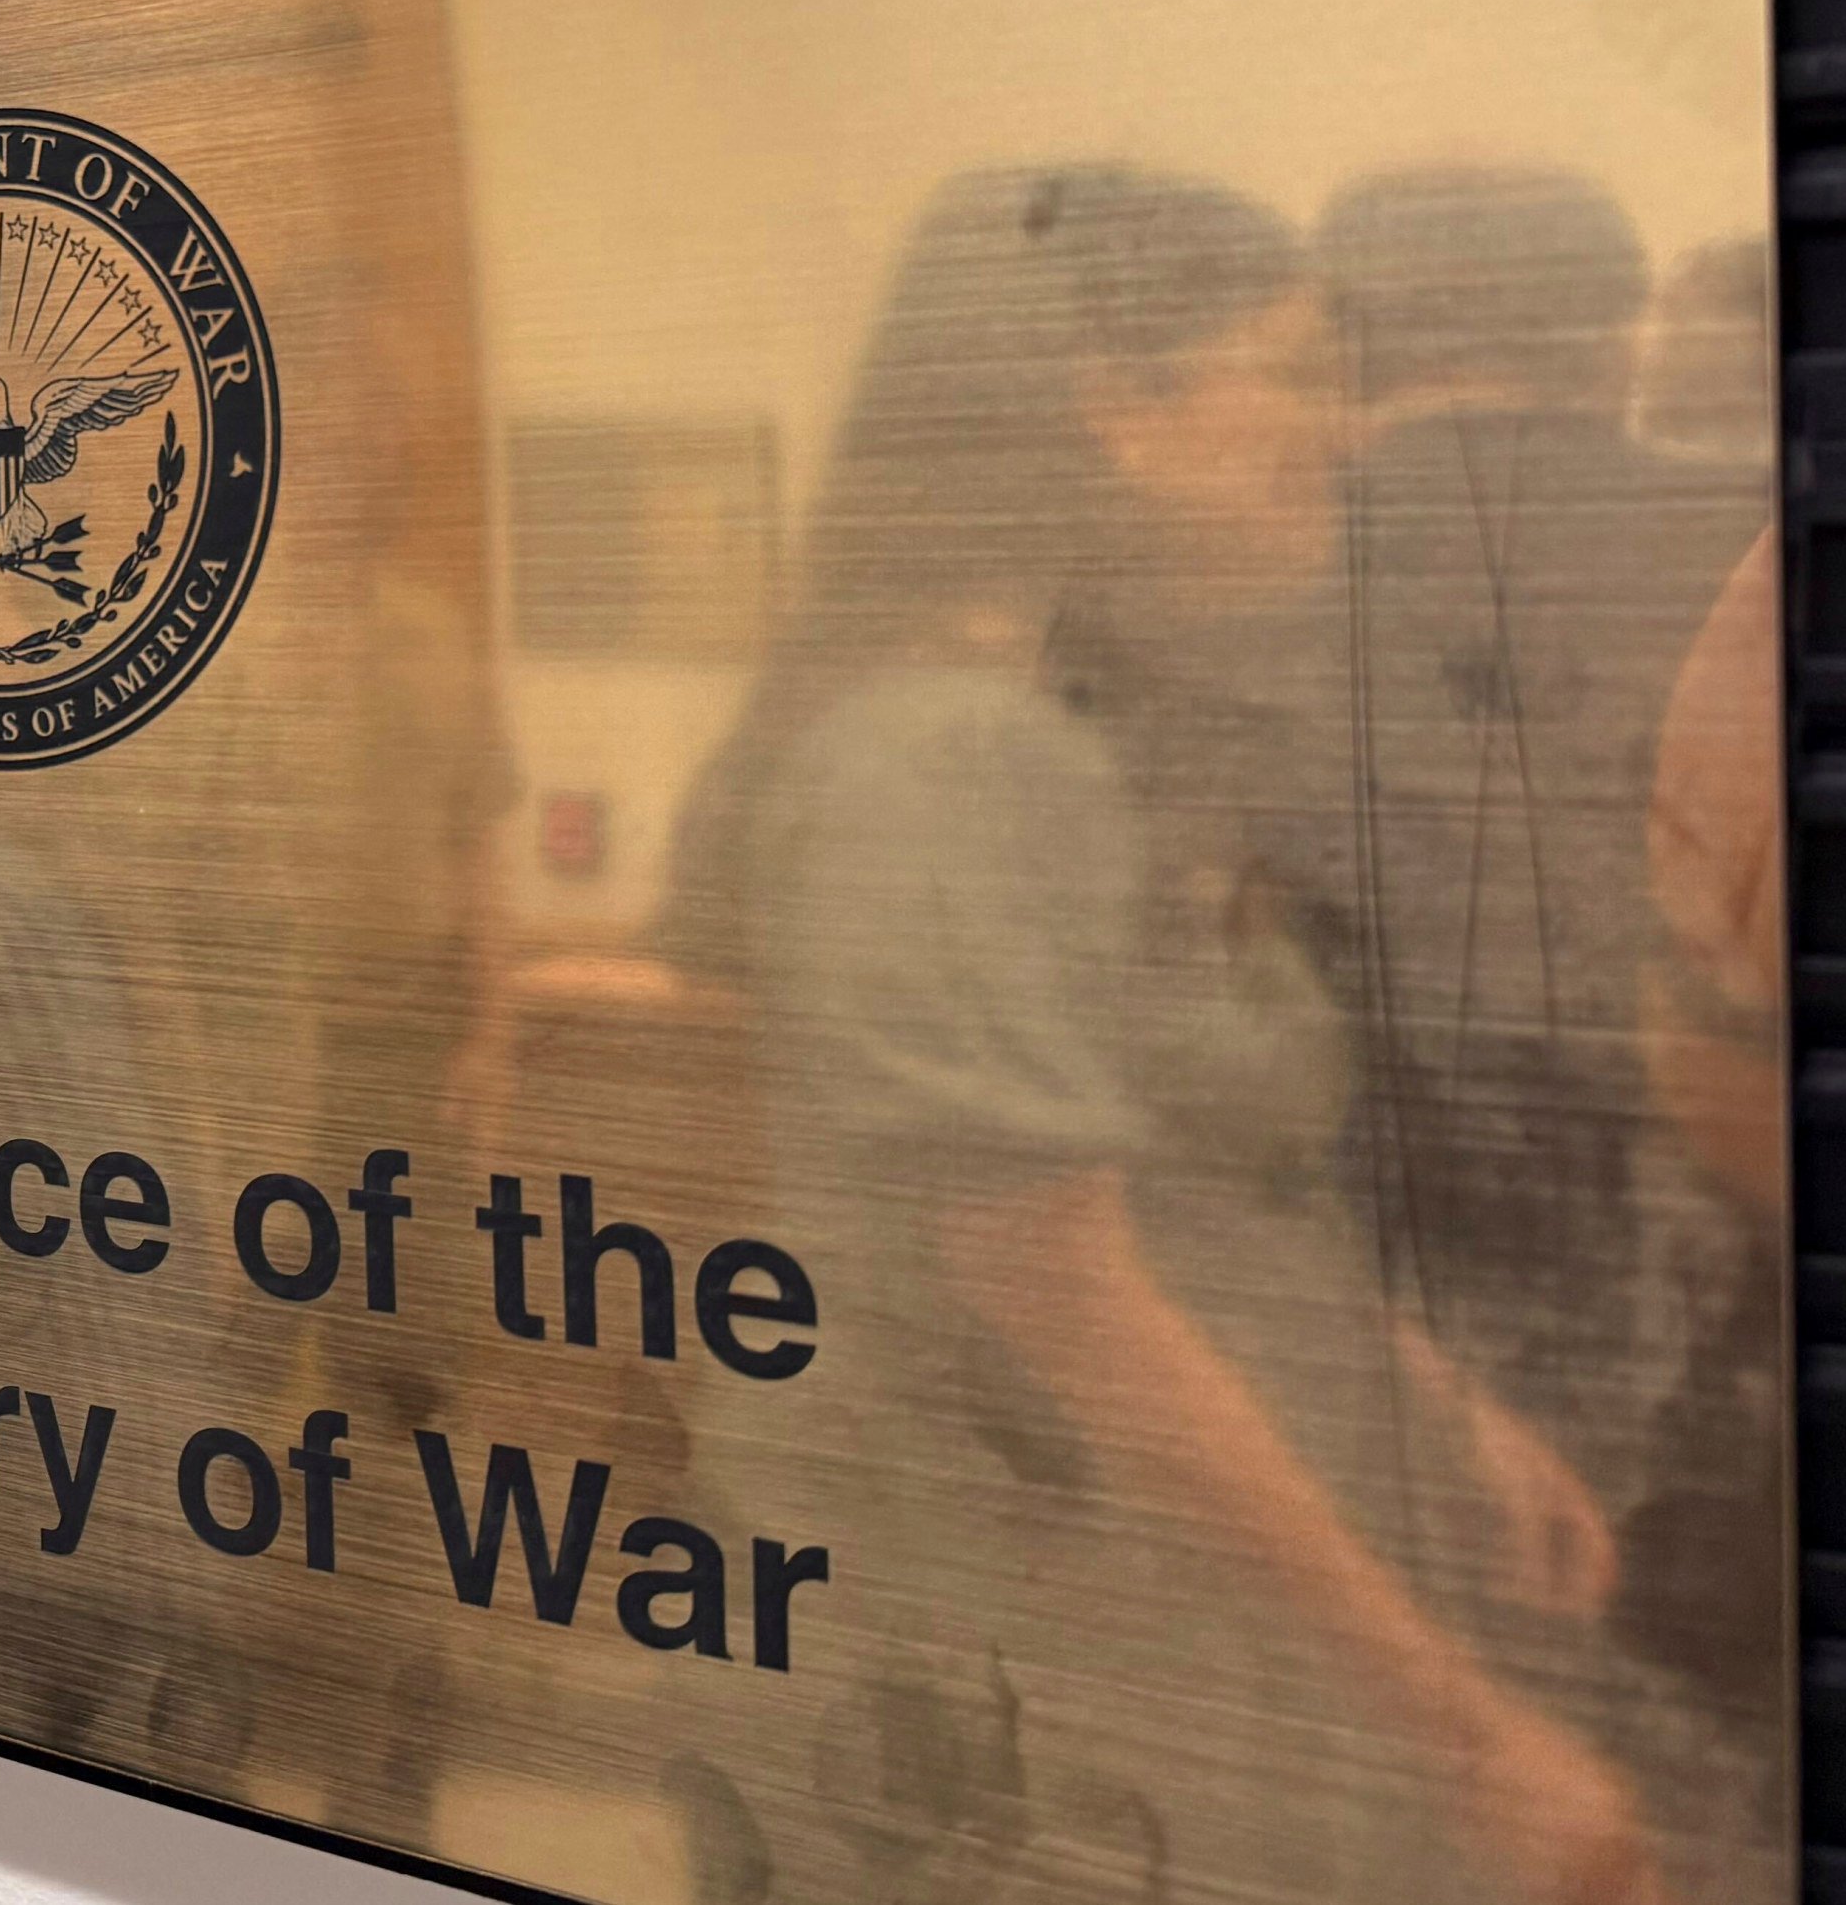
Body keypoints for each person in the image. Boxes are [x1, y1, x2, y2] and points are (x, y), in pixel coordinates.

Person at [664, 166, 1660, 1905]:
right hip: (1022, 1604)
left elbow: (1198, 1180)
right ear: (1113, 412)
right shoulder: (959, 757)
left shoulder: (1071, 727)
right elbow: (1060, 1286)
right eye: (1291, 372)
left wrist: (1430, 1404)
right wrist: (1468, 1733)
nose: (1341, 439)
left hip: (1139, 1576)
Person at [1314, 172, 1768, 1519]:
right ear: (1612, 336)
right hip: (1685, 1192)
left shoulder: (1263, 537)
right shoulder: (1743, 529)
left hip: (1346, 1222)